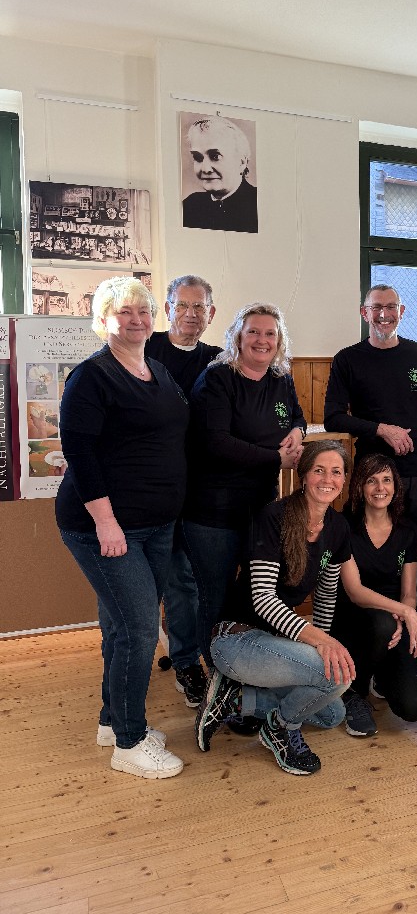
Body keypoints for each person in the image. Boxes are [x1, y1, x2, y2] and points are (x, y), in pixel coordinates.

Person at [194, 441, 417, 775]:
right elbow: (262, 598)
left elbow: (326, 596)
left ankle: (236, 699)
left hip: (278, 644)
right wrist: (322, 642)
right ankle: (278, 728)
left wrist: (323, 642)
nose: (327, 479)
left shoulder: (336, 528)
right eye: (319, 470)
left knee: (332, 713)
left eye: (336, 472)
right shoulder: (273, 517)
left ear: (344, 480)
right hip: (237, 639)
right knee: (336, 675)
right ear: (303, 475)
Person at [55, 276, 189, 779]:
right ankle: (130, 744)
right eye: (124, 311)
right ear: (104, 320)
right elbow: (80, 453)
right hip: (105, 528)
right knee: (139, 629)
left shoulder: (157, 369)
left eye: (143, 311)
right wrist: (107, 522)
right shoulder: (91, 377)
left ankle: (113, 722)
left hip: (156, 524)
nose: (137, 319)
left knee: (118, 625)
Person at [182, 302, 305, 668]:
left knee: (256, 595)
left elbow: (296, 415)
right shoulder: (218, 378)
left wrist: (298, 431)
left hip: (262, 508)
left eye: (270, 333)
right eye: (253, 331)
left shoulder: (281, 378)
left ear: (279, 340)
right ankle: (215, 678)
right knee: (216, 599)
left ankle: (248, 672)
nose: (262, 340)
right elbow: (216, 443)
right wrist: (276, 459)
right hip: (214, 513)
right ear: (238, 336)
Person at [324, 284, 417, 609]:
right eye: (376, 308)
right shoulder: (347, 359)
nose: (384, 315)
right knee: (365, 547)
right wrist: (381, 429)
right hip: (371, 470)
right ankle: (367, 623)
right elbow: (332, 417)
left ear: (402, 312)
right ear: (364, 313)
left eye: (391, 307)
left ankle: (411, 625)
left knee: (414, 550)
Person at [144, 275, 220, 708]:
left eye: (199, 306)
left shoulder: (218, 359)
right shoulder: (144, 347)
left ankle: (191, 660)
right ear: (167, 308)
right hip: (150, 486)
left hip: (201, 488)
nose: (191, 314)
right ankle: (181, 657)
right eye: (182, 305)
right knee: (162, 580)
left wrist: (296, 427)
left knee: (187, 579)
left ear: (211, 313)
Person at [331, 454, 417, 737]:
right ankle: (352, 691)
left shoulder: (408, 528)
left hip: (392, 622)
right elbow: (356, 592)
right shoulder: (344, 526)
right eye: (371, 481)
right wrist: (404, 613)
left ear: (395, 486)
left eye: (386, 480)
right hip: (353, 619)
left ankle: (380, 672)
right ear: (360, 487)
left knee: (414, 708)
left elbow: (409, 593)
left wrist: (402, 617)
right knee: (382, 624)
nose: (380, 488)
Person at [182, 116, 258, 233]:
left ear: (241, 162)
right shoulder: (190, 206)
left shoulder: (259, 203)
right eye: (197, 157)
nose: (205, 169)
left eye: (215, 156)